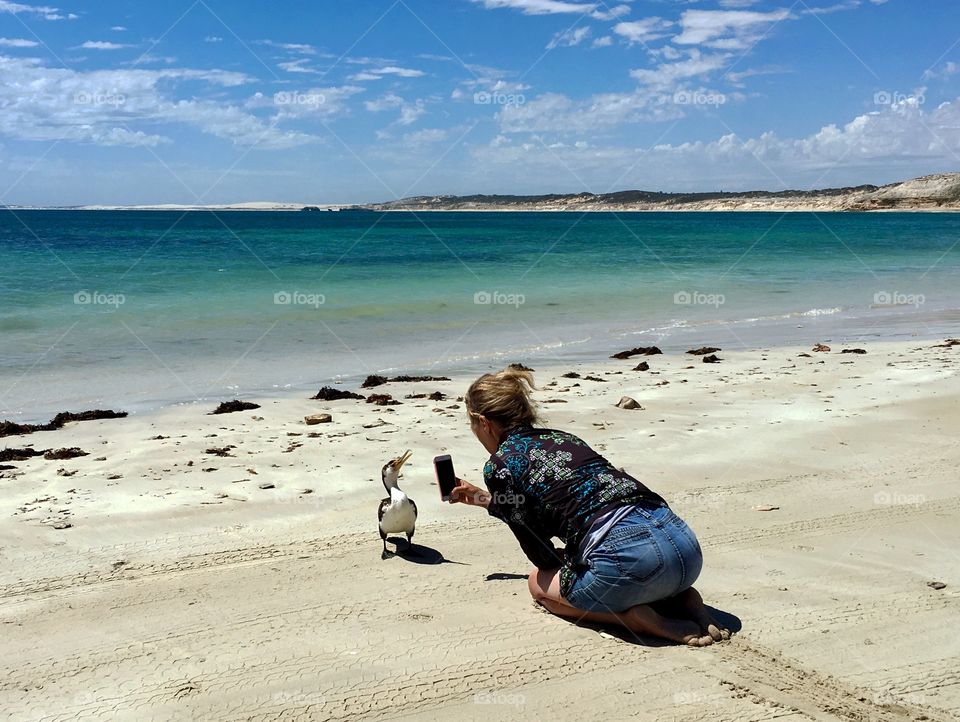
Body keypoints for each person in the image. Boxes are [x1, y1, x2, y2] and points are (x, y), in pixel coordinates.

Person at [449, 366, 730, 647]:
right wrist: (482, 499)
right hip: (685, 546)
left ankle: (633, 620)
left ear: (483, 423)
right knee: (637, 565)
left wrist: (560, 562)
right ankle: (683, 598)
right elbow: (558, 499)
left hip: (632, 561)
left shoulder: (500, 465)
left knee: (538, 584)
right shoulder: (564, 438)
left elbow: (537, 548)